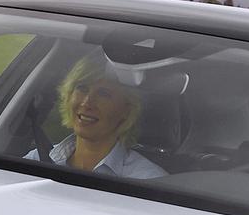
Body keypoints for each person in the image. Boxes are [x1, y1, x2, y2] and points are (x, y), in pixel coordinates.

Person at [33, 54, 165, 180]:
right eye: (82, 88)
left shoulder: (149, 180)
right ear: (68, 96)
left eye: (103, 94)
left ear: (127, 110)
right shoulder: (36, 159)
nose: (87, 103)